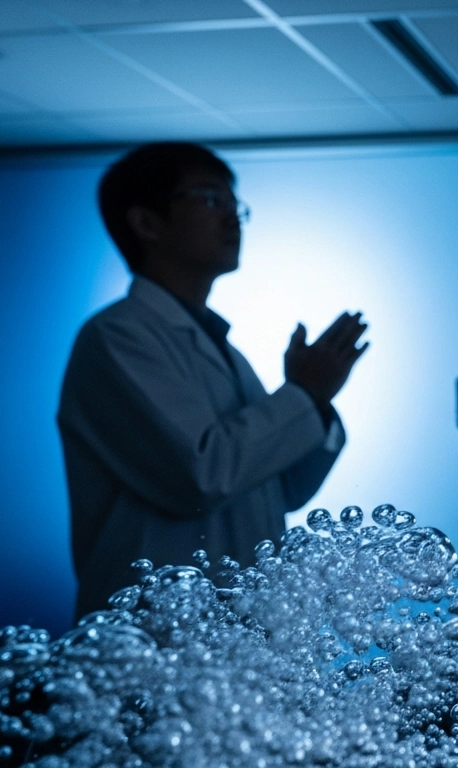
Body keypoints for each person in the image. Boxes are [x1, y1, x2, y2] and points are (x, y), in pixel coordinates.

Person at [57, 142, 368, 618]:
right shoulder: (117, 337)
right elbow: (202, 477)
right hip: (156, 636)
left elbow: (282, 489)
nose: (232, 218)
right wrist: (303, 394)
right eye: (208, 200)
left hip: (239, 631)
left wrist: (317, 403)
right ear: (145, 223)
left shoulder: (226, 350)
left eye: (234, 204)